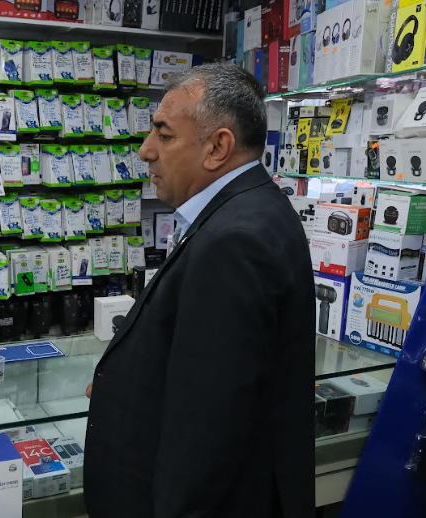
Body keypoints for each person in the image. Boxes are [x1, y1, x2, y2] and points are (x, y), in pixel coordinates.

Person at [84, 63, 314, 518]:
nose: (146, 151)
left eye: (164, 135)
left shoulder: (235, 240)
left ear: (217, 147)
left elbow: (207, 429)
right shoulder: (244, 213)